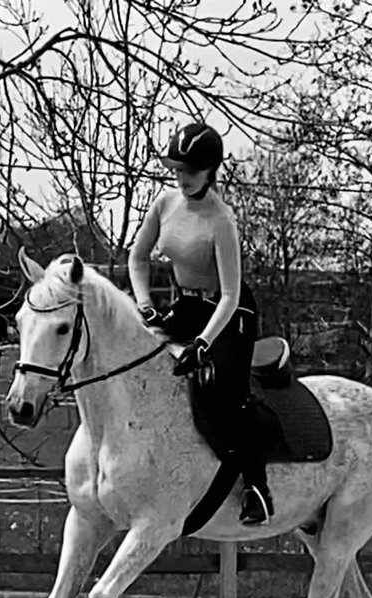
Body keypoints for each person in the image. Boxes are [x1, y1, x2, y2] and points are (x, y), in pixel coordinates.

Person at [128, 122, 274, 526]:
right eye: (176, 169)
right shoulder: (164, 203)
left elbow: (230, 294)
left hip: (229, 313)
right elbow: (138, 258)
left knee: (224, 391)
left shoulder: (221, 220)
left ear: (210, 171)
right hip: (187, 305)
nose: (181, 177)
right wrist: (144, 305)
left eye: (189, 171)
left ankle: (257, 488)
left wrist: (204, 343)